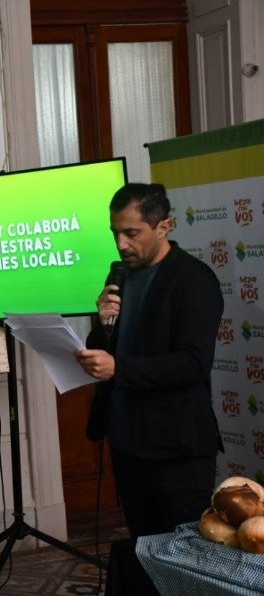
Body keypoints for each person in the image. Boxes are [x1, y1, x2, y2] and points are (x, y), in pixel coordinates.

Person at [75, 183, 223, 538]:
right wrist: (102, 325)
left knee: (184, 554)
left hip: (176, 449)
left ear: (163, 227)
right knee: (144, 548)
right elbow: (108, 348)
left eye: (131, 233)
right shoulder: (118, 276)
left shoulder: (194, 279)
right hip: (127, 442)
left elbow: (192, 364)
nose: (121, 244)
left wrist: (118, 368)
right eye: (115, 233)